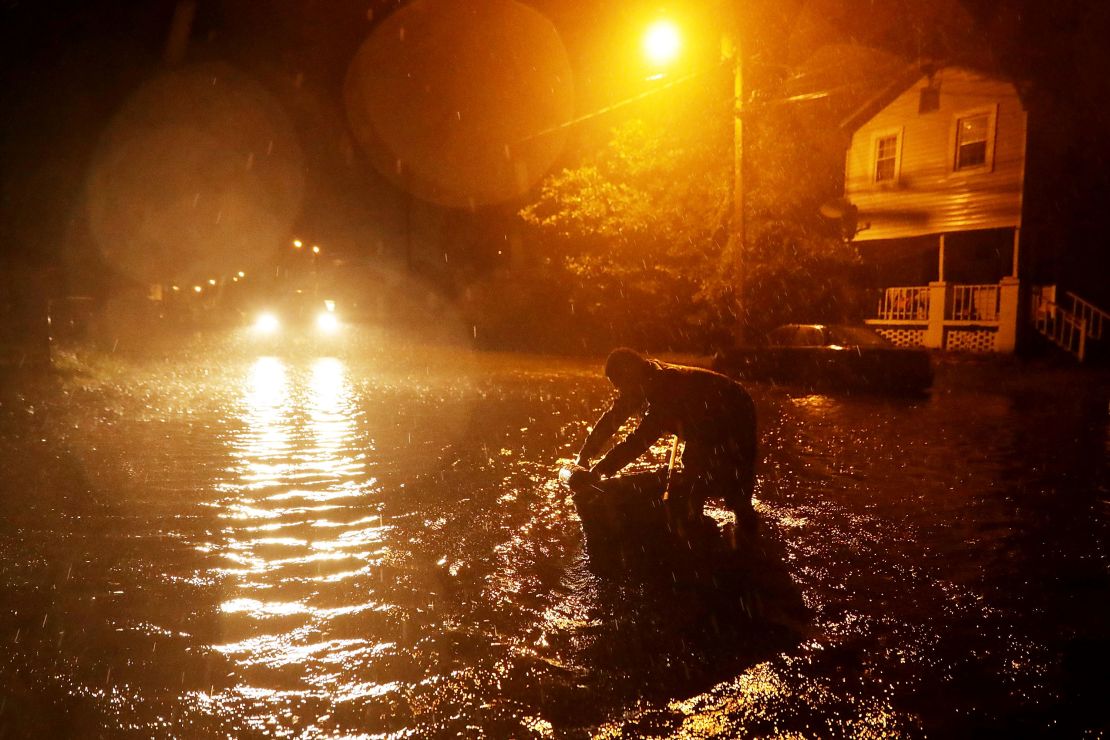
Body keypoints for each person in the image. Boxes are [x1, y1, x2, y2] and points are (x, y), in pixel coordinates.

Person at [576, 348, 758, 531]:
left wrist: (600, 470)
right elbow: (613, 418)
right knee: (693, 474)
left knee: (733, 488)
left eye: (621, 386)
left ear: (631, 374)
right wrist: (586, 453)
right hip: (704, 417)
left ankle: (741, 534)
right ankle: (694, 523)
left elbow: (640, 440)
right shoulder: (641, 381)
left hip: (734, 412)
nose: (621, 392)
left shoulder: (665, 387)